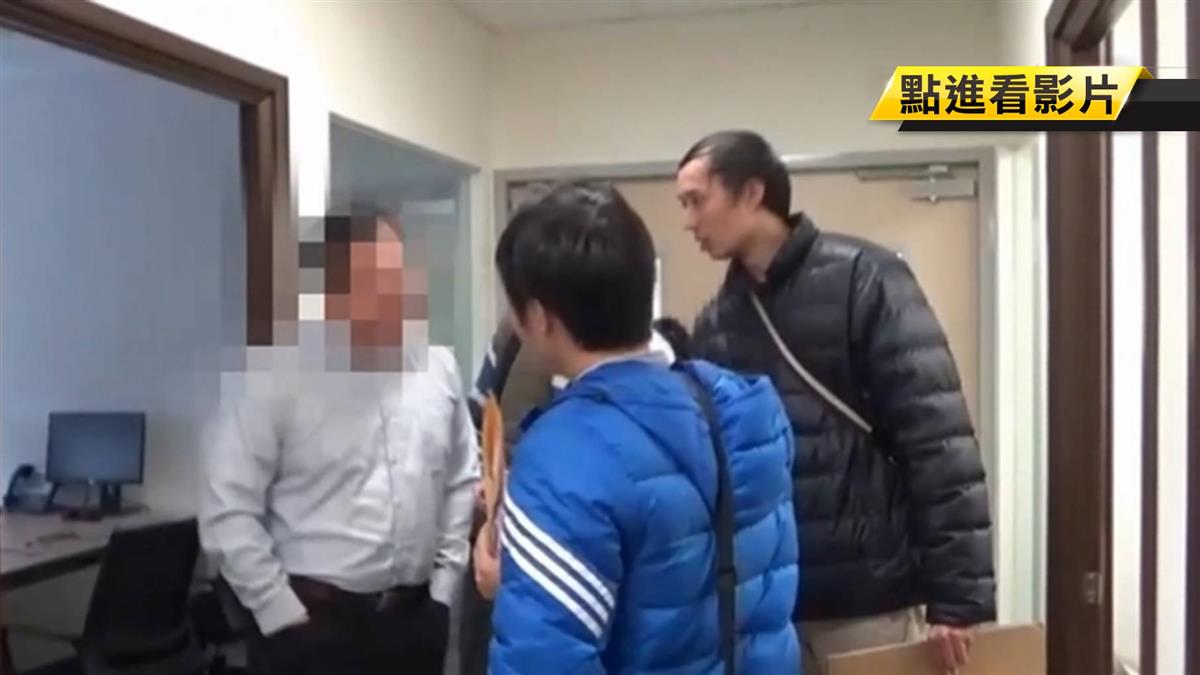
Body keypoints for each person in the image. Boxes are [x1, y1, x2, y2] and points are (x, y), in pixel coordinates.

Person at [677, 130, 995, 674]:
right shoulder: (716, 322)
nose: (688, 221)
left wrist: (958, 598)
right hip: (767, 606)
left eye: (696, 200)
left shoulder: (865, 279)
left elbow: (937, 438)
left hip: (868, 599)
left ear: (751, 193)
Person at [481, 181, 799, 674]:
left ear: (541, 317)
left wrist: (514, 583)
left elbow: (543, 660)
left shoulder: (562, 454)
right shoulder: (749, 407)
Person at [200, 212, 479, 675]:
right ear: (330, 291)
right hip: (312, 629)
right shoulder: (272, 377)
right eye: (373, 281)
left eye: (398, 275)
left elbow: (460, 480)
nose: (393, 295)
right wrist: (278, 610)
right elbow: (227, 509)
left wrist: (444, 589)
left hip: (413, 624)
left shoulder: (437, 367)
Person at [458, 316, 678, 675]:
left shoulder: (658, 379)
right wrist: (491, 485)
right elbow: (478, 425)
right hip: (513, 572)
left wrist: (519, 581)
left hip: (564, 595)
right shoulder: (512, 339)